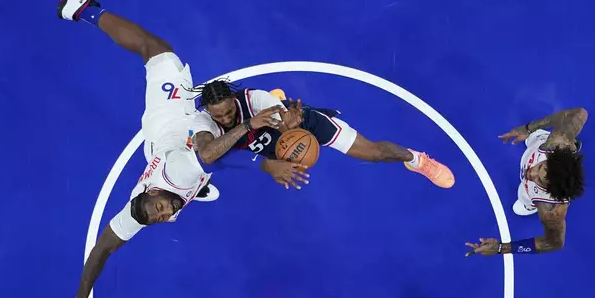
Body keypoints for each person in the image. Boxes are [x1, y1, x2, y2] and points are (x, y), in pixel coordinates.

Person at [58, 0, 220, 298]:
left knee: (156, 50)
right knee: (206, 164)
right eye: (163, 215)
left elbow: (220, 158)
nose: (165, 214)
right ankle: (204, 183)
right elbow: (102, 249)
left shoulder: (176, 176)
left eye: (161, 207)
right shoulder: (144, 211)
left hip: (170, 122)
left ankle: (79, 8)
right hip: (161, 149)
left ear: (151, 192)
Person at [190, 81, 456, 189]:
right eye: (219, 117)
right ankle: (280, 102)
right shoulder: (204, 121)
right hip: (264, 142)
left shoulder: (255, 100)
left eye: (227, 112)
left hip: (301, 129)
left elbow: (288, 132)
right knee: (261, 161)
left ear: (233, 101)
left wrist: (288, 123)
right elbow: (208, 154)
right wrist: (248, 126)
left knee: (375, 153)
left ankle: (416, 160)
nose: (224, 118)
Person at [465, 107, 587, 256]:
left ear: (550, 191)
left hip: (531, 193)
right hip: (540, 145)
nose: (531, 173)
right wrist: (528, 128)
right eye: (541, 166)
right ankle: (541, 137)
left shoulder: (549, 210)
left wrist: (500, 248)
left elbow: (554, 243)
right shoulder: (557, 141)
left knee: (520, 207)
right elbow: (580, 113)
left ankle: (529, 206)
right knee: (536, 136)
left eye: (540, 180)